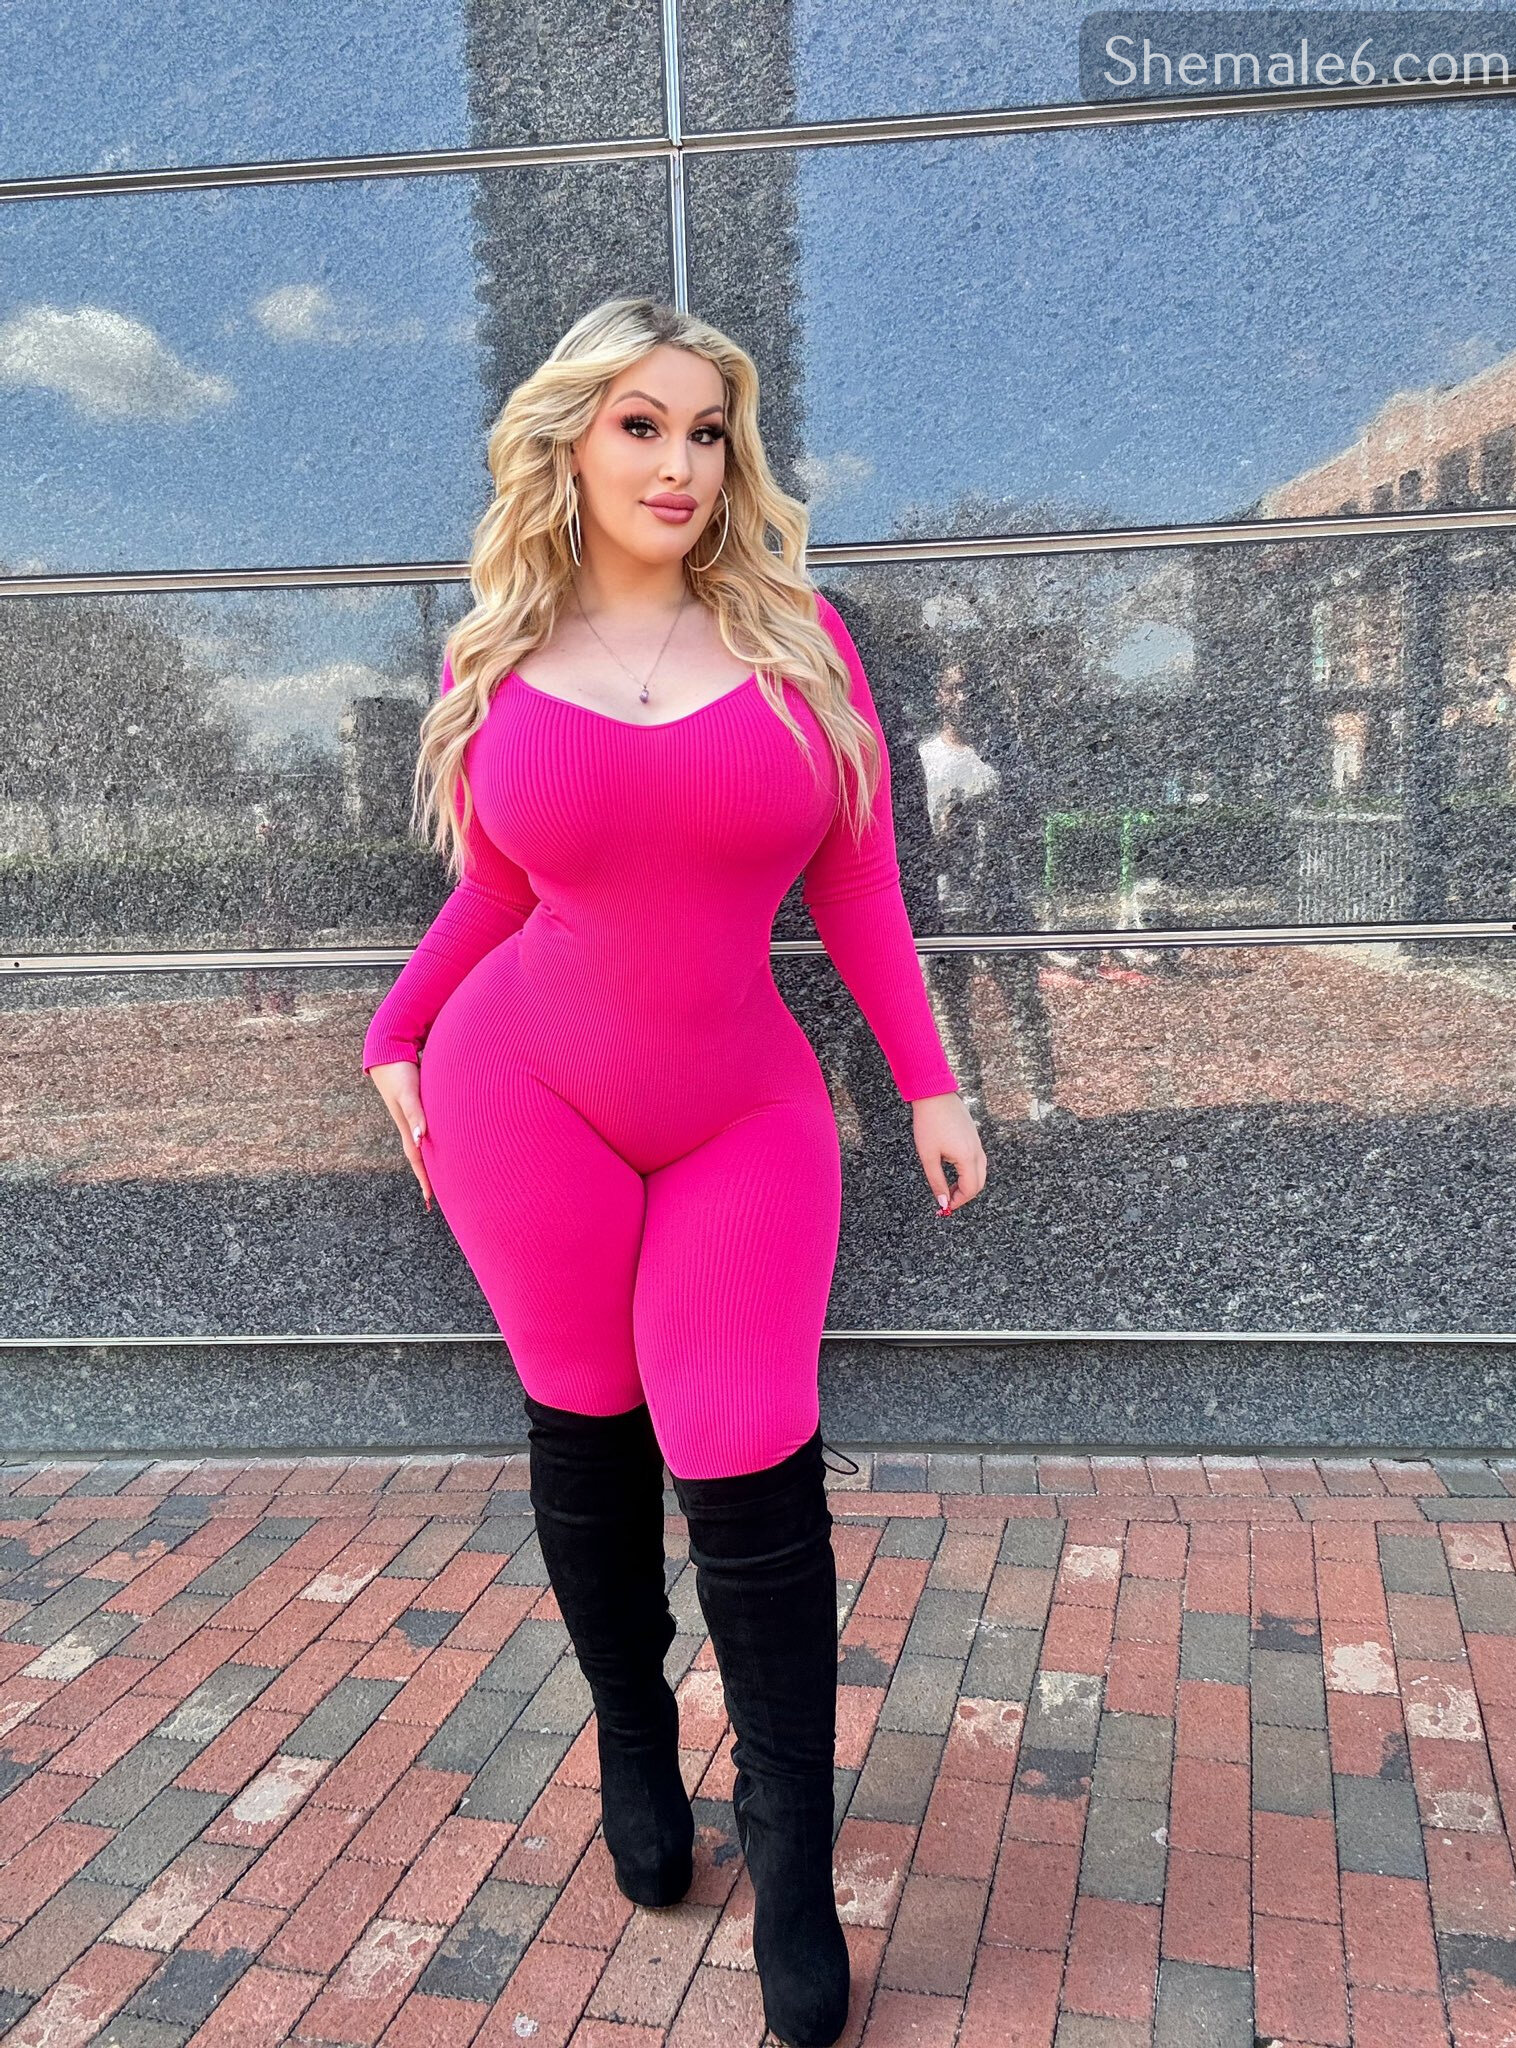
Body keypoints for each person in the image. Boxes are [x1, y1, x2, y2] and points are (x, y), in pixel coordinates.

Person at [361, 295, 987, 2048]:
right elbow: (499, 890)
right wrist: (394, 1031)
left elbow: (856, 880)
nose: (680, 463)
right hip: (521, 1090)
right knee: (585, 1418)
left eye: (707, 431)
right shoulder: (497, 652)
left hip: (744, 1111)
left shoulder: (799, 637)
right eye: (640, 425)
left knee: (746, 1450)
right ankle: (635, 1743)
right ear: (569, 441)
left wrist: (930, 1084)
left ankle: (791, 1855)